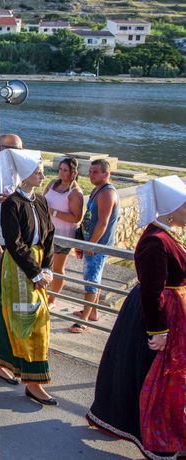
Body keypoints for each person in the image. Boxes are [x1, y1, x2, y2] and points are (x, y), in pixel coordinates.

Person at [86, 176, 185, 460]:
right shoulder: (156, 241)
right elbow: (153, 292)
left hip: (167, 315)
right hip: (156, 317)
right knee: (154, 379)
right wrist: (158, 331)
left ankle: (168, 434)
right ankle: (156, 438)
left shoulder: (166, 234)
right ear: (170, 210)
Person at [0, 149, 57, 405]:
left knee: (12, 314)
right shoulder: (11, 204)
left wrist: (48, 268)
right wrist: (36, 273)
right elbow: (15, 244)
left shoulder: (40, 200)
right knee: (30, 319)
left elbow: (49, 235)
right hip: (19, 267)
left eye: (42, 171)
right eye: (38, 172)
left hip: (37, 264)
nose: (42, 175)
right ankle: (33, 381)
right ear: (25, 176)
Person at [72, 159, 120, 332]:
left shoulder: (107, 193)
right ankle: (92, 312)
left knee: (91, 281)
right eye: (90, 171)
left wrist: (91, 245)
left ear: (106, 174)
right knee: (93, 279)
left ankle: (84, 320)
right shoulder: (96, 190)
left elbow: (103, 223)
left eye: (95, 172)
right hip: (90, 243)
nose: (90, 175)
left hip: (98, 246)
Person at [42, 157, 83, 308]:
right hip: (46, 232)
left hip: (63, 235)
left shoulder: (75, 193)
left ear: (73, 173)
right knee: (43, 264)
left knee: (58, 268)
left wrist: (54, 213)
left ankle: (52, 299)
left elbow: (76, 217)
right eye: (60, 169)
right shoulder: (52, 184)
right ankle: (43, 293)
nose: (61, 172)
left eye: (65, 170)